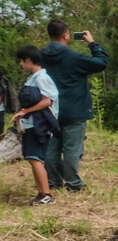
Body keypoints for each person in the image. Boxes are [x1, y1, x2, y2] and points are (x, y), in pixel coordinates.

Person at [39, 20, 107, 192]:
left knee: (51, 148)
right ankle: (73, 183)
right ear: (66, 35)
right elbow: (101, 63)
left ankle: (53, 181)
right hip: (74, 109)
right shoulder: (74, 58)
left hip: (49, 109)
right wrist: (92, 43)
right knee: (72, 149)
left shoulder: (40, 57)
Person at [11, 45, 59, 205]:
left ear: (30, 60)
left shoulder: (41, 78)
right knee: (33, 158)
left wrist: (25, 111)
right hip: (31, 124)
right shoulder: (33, 78)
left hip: (40, 125)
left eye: (22, 61)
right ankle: (41, 192)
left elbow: (47, 101)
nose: (21, 65)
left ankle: (46, 194)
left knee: (35, 158)